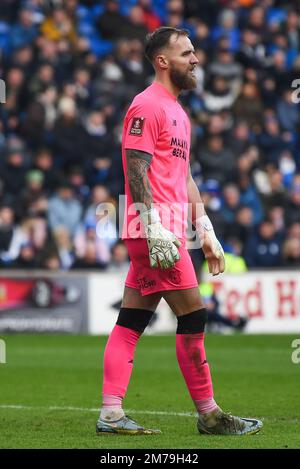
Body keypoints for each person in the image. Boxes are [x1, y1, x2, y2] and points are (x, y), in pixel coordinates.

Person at [96, 27, 263, 436]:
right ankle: (209, 415)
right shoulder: (145, 105)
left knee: (131, 321)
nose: (196, 59)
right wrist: (152, 227)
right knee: (195, 317)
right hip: (153, 230)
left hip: (167, 229)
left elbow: (182, 175)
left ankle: (111, 413)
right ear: (162, 61)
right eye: (187, 53)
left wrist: (204, 227)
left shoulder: (178, 111)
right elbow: (135, 168)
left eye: (195, 52)